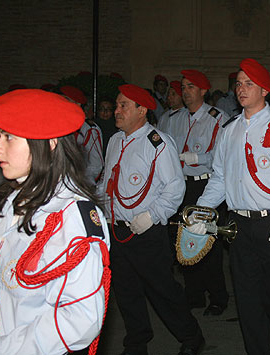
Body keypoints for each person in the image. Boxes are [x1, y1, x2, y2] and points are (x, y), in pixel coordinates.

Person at [0, 89, 110, 354]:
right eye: (0, 135)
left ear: (49, 143)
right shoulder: (8, 203)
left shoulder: (72, 217)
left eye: (9, 137)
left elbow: (80, 318)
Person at [196, 58, 270, 354]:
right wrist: (202, 210)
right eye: (238, 83)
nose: (241, 89)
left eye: (249, 84)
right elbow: (219, 178)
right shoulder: (229, 129)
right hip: (239, 226)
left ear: (264, 90)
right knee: (248, 303)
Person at [99, 84, 204, 355]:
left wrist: (152, 215)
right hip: (117, 230)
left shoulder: (158, 143)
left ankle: (191, 336)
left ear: (142, 110)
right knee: (126, 292)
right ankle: (137, 343)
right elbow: (106, 183)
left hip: (146, 232)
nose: (117, 111)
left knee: (162, 290)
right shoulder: (114, 140)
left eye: (124, 106)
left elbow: (175, 187)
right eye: (117, 105)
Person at [175, 69, 229, 316]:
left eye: (191, 87)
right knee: (184, 238)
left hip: (207, 183)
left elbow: (222, 157)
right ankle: (193, 293)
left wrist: (197, 157)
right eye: (183, 87)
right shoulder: (176, 118)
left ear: (203, 91)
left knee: (209, 240)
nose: (185, 92)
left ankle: (218, 296)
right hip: (182, 184)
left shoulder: (218, 118)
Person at [59, 86, 104, 185]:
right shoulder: (55, 125)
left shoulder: (88, 129)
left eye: (65, 101)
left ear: (77, 105)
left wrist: (82, 184)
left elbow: (95, 164)